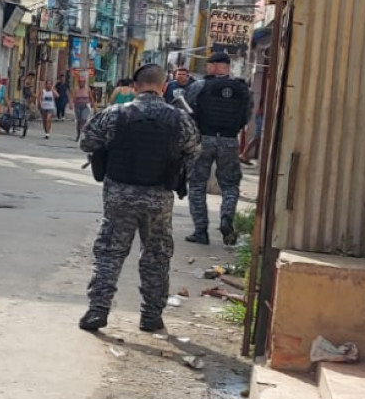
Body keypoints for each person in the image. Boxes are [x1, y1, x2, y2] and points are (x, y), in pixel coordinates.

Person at [79, 64, 200, 333]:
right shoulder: (178, 118)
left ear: (135, 87)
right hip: (158, 198)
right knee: (156, 256)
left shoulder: (114, 114)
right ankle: (151, 316)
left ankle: (97, 310)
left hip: (119, 195)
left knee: (109, 254)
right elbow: (193, 150)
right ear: (164, 86)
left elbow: (87, 142)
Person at [185, 52, 252, 245]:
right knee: (230, 185)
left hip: (203, 139)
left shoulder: (200, 86)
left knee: (197, 184)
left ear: (215, 66)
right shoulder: (242, 88)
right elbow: (246, 115)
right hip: (229, 140)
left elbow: (186, 110)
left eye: (209, 65)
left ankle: (200, 230)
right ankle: (226, 219)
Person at [72, 74, 94, 141]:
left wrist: (93, 104)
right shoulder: (76, 89)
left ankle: (82, 135)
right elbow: (73, 98)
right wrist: (72, 104)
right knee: (79, 121)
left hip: (85, 106)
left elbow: (91, 98)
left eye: (82, 81)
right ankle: (78, 135)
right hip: (78, 106)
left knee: (83, 120)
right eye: (79, 81)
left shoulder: (88, 89)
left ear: (84, 82)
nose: (81, 83)